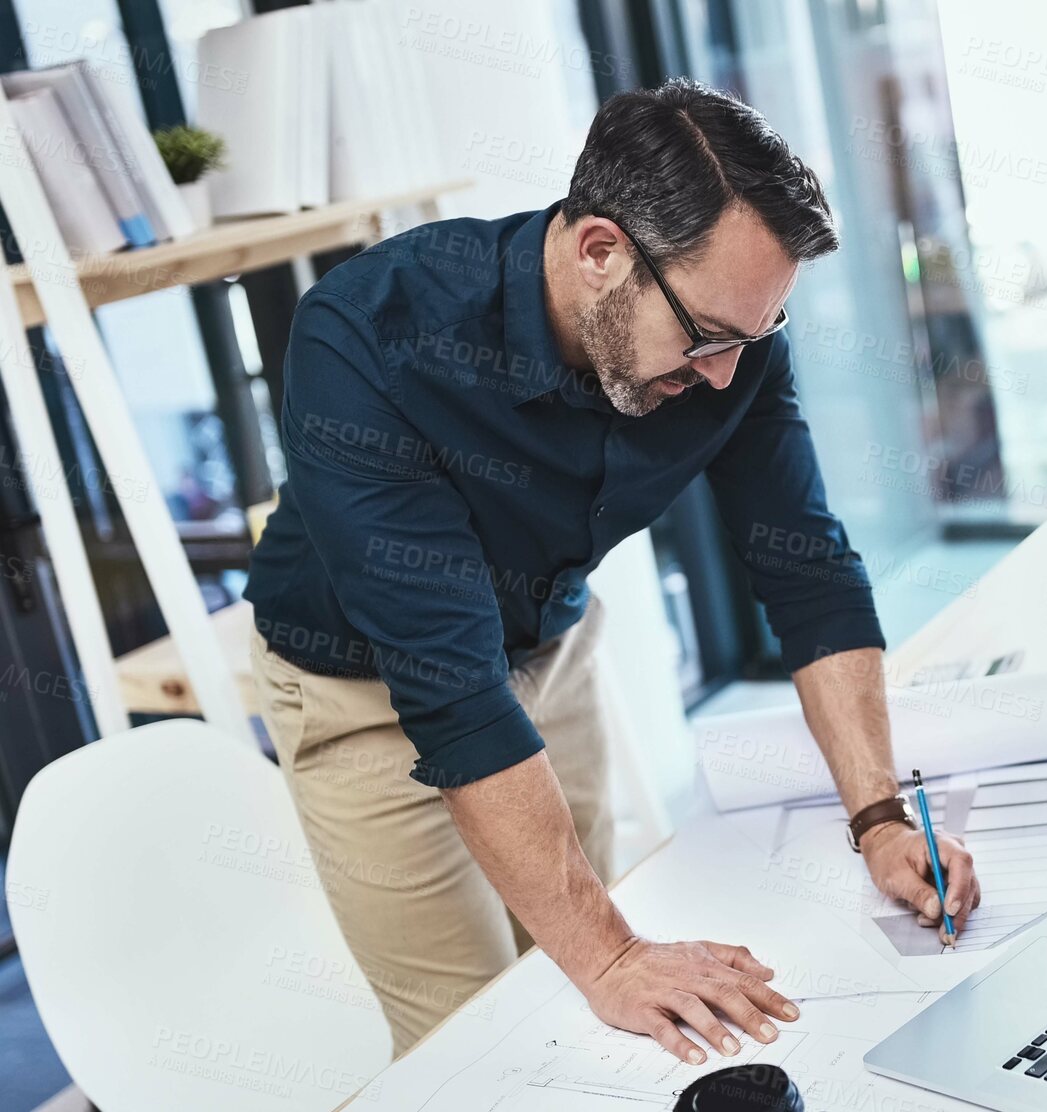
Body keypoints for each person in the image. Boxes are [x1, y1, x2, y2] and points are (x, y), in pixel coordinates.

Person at [243, 77, 981, 1064]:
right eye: (708, 337)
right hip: (359, 692)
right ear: (601, 253)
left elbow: (806, 568)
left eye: (753, 340)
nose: (726, 374)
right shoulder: (369, 335)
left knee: (581, 1016)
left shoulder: (732, 336)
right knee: (475, 1047)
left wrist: (880, 819)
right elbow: (451, 690)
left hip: (545, 652)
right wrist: (613, 955)